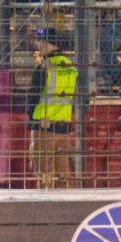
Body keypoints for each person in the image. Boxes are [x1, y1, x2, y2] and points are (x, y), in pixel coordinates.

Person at [26, 30, 77, 188]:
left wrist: (31, 118)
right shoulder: (70, 67)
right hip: (63, 126)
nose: (38, 46)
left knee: (44, 172)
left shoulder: (44, 67)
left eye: (40, 42)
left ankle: (46, 210)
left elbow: (33, 97)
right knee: (63, 174)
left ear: (47, 43)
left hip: (43, 126)